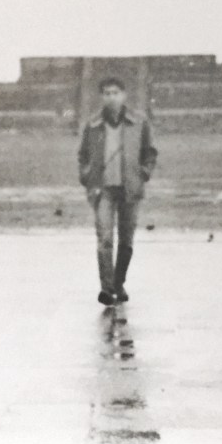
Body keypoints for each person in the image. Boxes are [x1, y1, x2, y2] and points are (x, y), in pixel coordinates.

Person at [77, 77, 158, 306]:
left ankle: (118, 283)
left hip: (130, 188)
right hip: (103, 189)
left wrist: (143, 173)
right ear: (102, 96)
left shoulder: (139, 122)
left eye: (115, 93)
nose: (111, 97)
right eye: (107, 93)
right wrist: (86, 176)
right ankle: (106, 288)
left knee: (126, 241)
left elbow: (150, 152)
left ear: (123, 95)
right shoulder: (93, 124)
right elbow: (83, 154)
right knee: (104, 239)